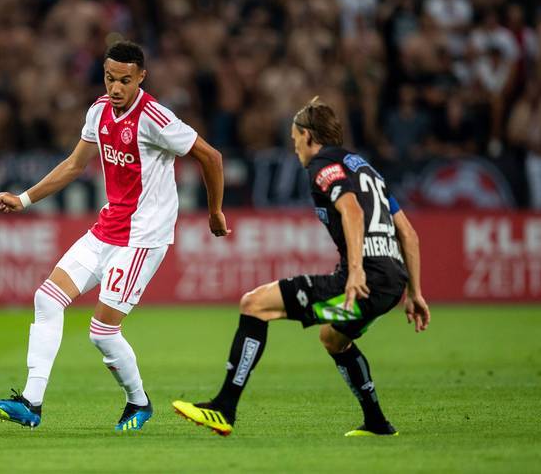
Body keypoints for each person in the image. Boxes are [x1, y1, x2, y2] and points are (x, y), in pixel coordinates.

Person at [0, 41, 229, 431]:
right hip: (106, 230)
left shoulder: (156, 117)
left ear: (141, 77)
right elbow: (74, 165)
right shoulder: (98, 111)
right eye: (110, 78)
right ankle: (31, 403)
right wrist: (23, 199)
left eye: (125, 80)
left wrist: (214, 211)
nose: (116, 88)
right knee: (47, 299)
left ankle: (139, 402)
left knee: (102, 332)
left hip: (141, 240)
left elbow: (210, 156)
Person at [173, 97, 430, 437]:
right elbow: (408, 234)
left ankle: (223, 408)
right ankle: (377, 423)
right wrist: (414, 292)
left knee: (255, 304)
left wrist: (355, 271)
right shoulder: (365, 169)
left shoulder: (322, 166)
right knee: (333, 338)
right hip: (392, 283)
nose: (294, 147)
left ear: (308, 135)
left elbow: (352, 211)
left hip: (363, 280)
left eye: (295, 139)